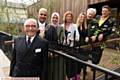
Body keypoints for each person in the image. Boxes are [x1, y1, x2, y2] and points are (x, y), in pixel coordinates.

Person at [44, 12, 65, 80]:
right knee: (50, 67)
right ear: (51, 18)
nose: (55, 19)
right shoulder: (47, 26)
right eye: (53, 17)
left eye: (56, 18)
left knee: (58, 68)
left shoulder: (61, 27)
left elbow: (63, 37)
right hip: (49, 50)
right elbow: (45, 38)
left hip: (58, 50)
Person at [61, 11, 79, 80]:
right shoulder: (61, 26)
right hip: (63, 48)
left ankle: (70, 77)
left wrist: (71, 39)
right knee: (63, 64)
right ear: (65, 17)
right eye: (67, 16)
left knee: (70, 64)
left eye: (70, 17)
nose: (69, 18)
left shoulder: (74, 26)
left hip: (71, 48)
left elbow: (77, 37)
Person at [76, 12, 89, 80]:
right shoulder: (77, 26)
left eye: (84, 17)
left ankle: (84, 71)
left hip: (85, 45)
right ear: (79, 17)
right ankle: (78, 75)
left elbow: (87, 33)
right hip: (79, 46)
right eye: (81, 17)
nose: (82, 18)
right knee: (79, 61)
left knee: (84, 59)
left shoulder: (86, 26)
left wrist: (87, 36)